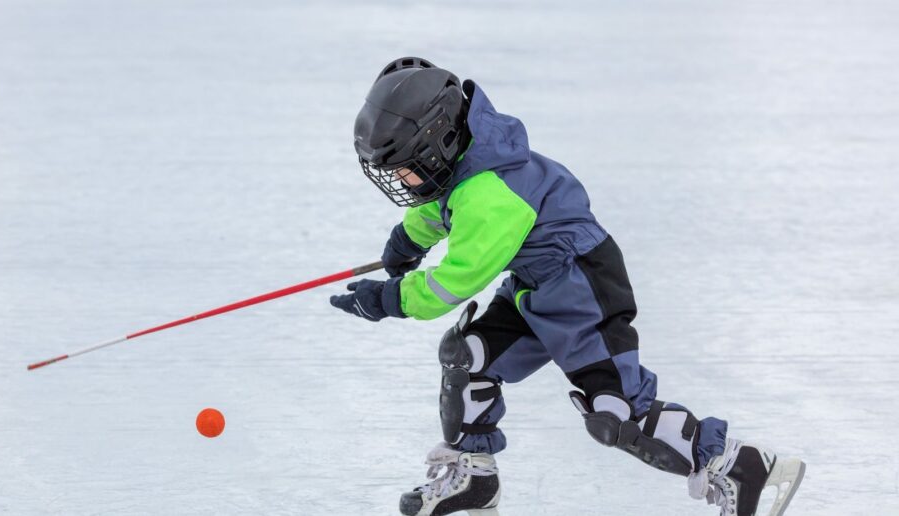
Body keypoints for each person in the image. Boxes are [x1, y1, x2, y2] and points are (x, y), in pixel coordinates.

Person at [328, 57, 806, 516]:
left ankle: (739, 466)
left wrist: (388, 299)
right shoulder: (467, 163)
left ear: (441, 140)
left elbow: (453, 281)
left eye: (406, 167)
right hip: (536, 287)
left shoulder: (492, 196)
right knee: (469, 355)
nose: (402, 181)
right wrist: (406, 241)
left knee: (614, 414)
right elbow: (441, 203)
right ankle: (473, 478)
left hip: (583, 285)